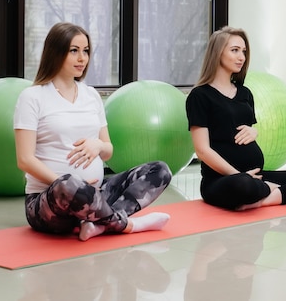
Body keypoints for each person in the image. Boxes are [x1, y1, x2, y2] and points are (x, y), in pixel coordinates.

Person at [14, 22, 172, 241]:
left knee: (159, 170)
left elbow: (108, 151)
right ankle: (127, 224)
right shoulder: (32, 97)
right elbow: (24, 159)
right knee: (69, 182)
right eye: (74, 51)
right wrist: (70, 186)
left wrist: (98, 145)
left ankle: (98, 224)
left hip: (96, 194)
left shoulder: (91, 96)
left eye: (86, 51)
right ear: (56, 52)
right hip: (49, 203)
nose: (82, 58)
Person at [186, 26, 286, 211]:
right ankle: (273, 191)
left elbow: (243, 128)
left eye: (244, 51)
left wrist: (254, 131)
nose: (242, 57)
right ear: (217, 52)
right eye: (235, 50)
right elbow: (202, 150)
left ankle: (263, 200)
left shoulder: (245, 93)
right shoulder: (200, 96)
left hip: (257, 175)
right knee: (243, 185)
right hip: (223, 180)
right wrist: (239, 175)